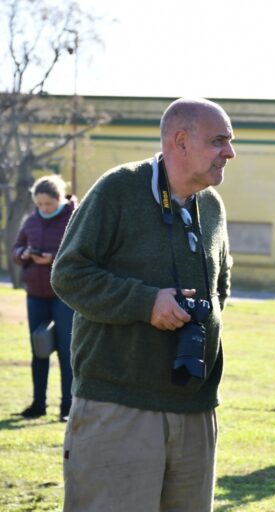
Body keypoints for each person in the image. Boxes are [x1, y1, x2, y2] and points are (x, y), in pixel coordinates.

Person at [50, 97, 235, 512]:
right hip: (120, 408)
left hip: (195, 409)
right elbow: (68, 274)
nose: (230, 152)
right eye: (219, 141)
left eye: (230, 141)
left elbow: (222, 285)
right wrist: (145, 302)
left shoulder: (212, 206)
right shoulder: (119, 189)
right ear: (181, 141)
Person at [12, 175, 77, 422]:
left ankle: (67, 408)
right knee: (39, 350)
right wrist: (24, 253)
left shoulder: (74, 218)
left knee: (65, 351)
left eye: (47, 204)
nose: (43, 209)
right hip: (35, 295)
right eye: (39, 204)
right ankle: (38, 404)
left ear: (59, 199)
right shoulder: (31, 221)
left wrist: (53, 259)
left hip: (63, 296)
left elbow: (79, 253)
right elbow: (16, 251)